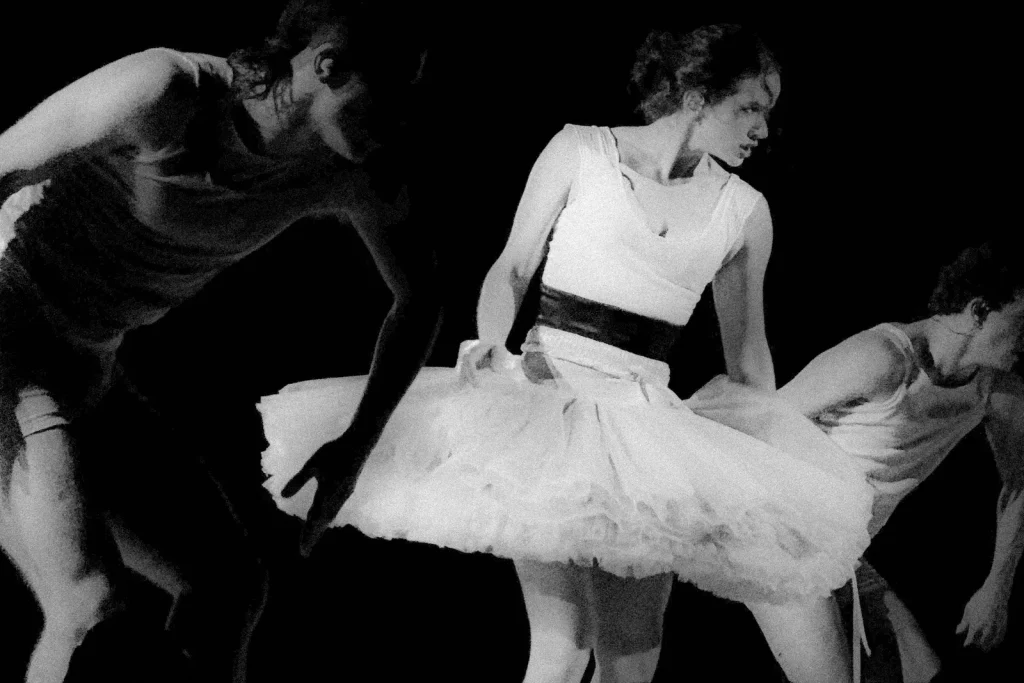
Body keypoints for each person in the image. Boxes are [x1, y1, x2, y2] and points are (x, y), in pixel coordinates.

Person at [259, 24, 873, 683]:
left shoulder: (743, 212)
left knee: (631, 653)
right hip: (548, 409)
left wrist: (774, 461)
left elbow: (748, 357)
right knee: (563, 644)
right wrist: (491, 342)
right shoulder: (581, 150)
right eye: (750, 106)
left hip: (641, 432)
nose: (762, 129)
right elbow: (513, 268)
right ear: (697, 96)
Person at [0, 1, 439, 681]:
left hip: (86, 361)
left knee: (227, 588)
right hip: (9, 329)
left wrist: (356, 447)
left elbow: (419, 298)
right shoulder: (166, 92)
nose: (400, 120)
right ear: (328, 64)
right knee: (85, 603)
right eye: (390, 94)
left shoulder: (348, 171)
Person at [761, 242, 1024, 682]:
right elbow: (761, 421)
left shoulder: (996, 391)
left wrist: (997, 585)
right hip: (783, 543)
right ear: (979, 311)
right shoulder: (883, 358)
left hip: (845, 554)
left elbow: (1019, 484)